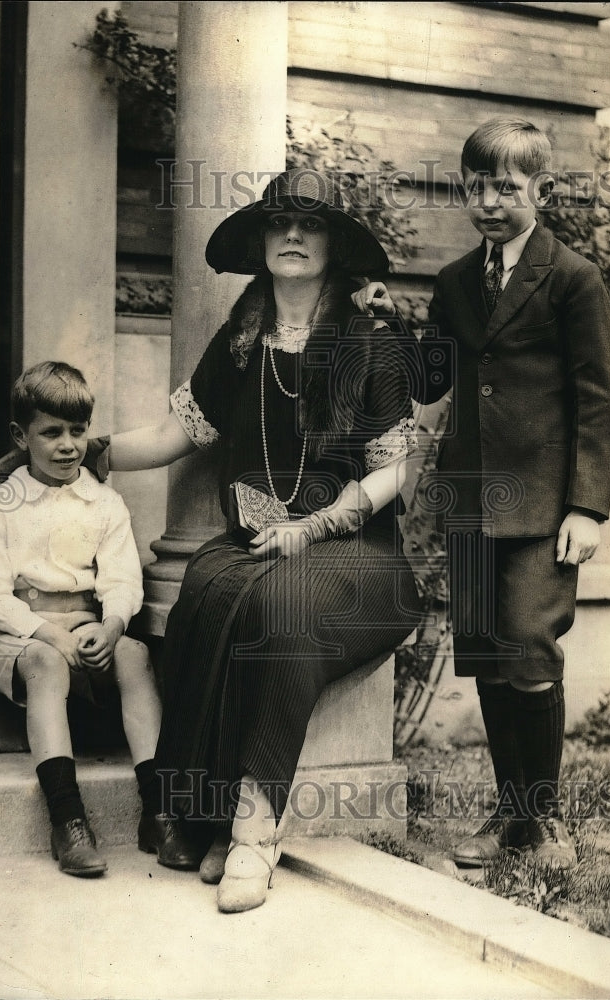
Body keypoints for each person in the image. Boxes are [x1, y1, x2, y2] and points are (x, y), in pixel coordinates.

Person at [56, 169, 422, 913]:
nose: (291, 235)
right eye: (278, 223)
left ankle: (255, 833)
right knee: (206, 589)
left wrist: (314, 526)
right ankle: (205, 816)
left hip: (359, 554)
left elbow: (394, 473)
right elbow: (176, 432)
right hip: (258, 541)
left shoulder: (372, 344)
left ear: (332, 244)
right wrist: (82, 452)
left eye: (308, 224)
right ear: (261, 241)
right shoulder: (240, 338)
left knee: (284, 606)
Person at [355, 118, 610, 870]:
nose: (490, 200)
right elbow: (434, 382)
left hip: (542, 507)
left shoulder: (573, 277)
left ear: (541, 190)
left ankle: (545, 822)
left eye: (507, 186)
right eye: (477, 186)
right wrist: (383, 321)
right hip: (469, 502)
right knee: (487, 656)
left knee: (529, 649)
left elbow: (599, 399)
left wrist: (587, 506)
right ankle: (509, 816)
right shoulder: (451, 283)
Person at [0, 361, 162, 878]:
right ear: (21, 435)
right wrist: (51, 634)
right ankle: (68, 819)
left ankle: (158, 809)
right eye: (51, 432)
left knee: (137, 656)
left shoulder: (103, 502)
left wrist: (113, 626)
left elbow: (123, 581)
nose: (67, 445)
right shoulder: (2, 505)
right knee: (47, 664)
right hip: (17, 633)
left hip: (83, 625)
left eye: (77, 431)